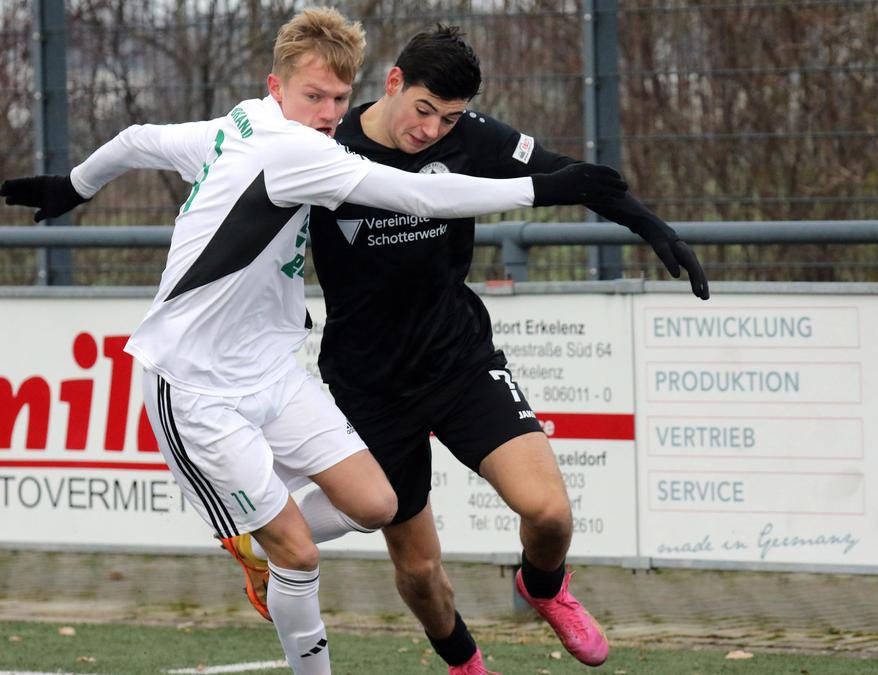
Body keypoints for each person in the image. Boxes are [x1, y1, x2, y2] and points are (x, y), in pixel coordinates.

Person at [0, 10, 632, 675]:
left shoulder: (236, 123)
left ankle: (259, 538)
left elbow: (136, 138)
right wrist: (543, 189)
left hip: (271, 370)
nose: (329, 113)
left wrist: (72, 186)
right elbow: (419, 197)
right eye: (313, 97)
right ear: (278, 86)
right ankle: (275, 568)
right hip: (193, 383)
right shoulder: (298, 152)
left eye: (337, 98)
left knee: (377, 502)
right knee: (299, 553)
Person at [219, 26, 711, 674]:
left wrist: (653, 228)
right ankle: (465, 663)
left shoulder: (473, 138)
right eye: (425, 110)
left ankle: (543, 587)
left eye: (448, 118)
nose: (433, 130)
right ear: (393, 82)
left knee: (550, 511)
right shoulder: (326, 143)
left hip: (459, 361)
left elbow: (574, 177)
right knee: (420, 571)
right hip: (371, 383)